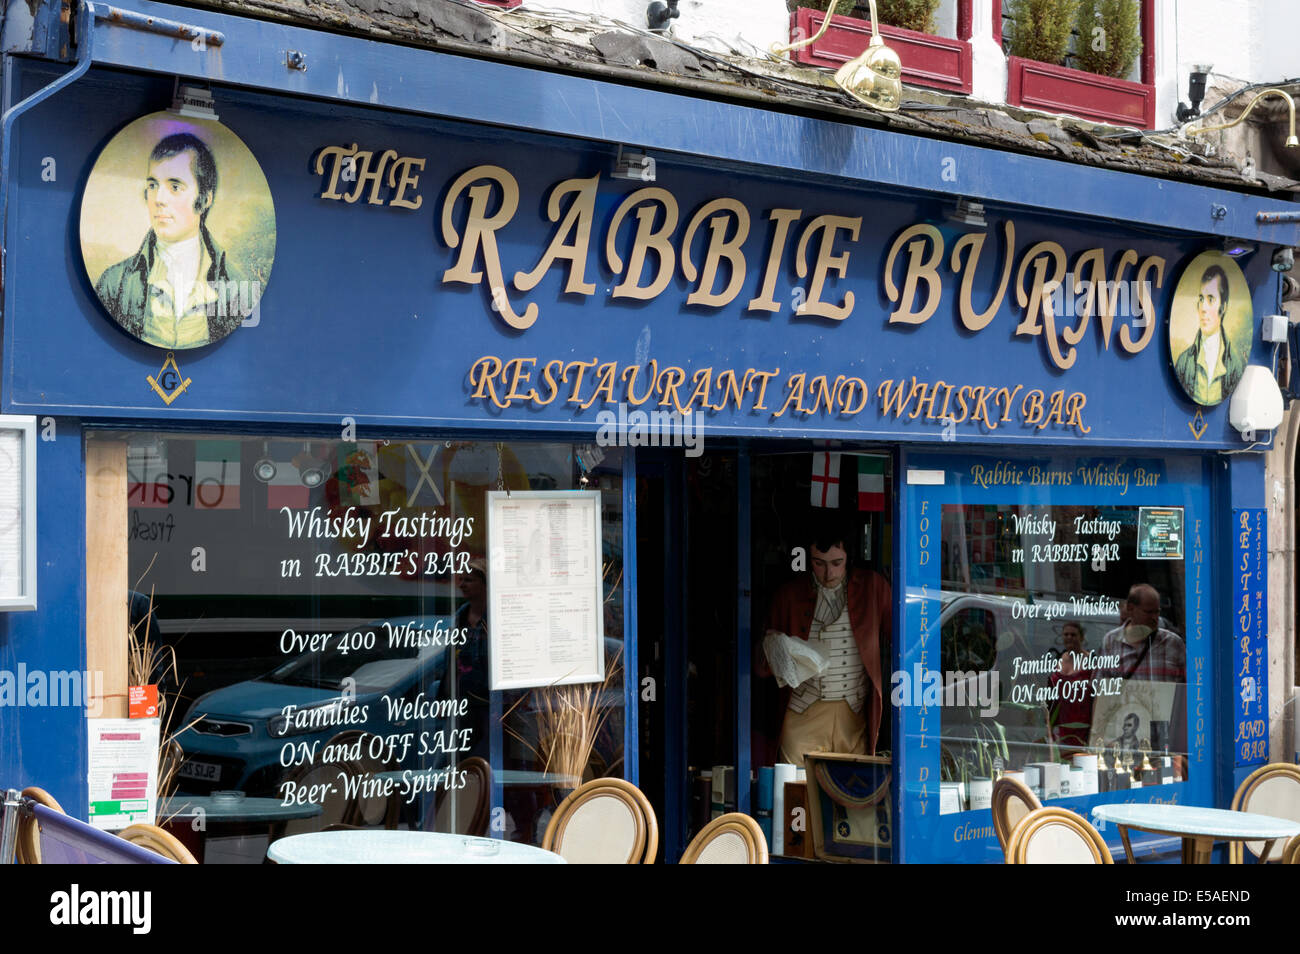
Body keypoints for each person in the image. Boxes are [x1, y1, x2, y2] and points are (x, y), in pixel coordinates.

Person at [758, 517, 891, 764]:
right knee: (797, 796)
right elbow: (761, 661)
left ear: (848, 558)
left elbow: (902, 640)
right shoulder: (789, 595)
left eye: (836, 563)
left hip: (853, 715)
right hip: (801, 713)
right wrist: (776, 649)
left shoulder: (873, 588)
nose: (829, 573)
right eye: (819, 563)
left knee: (850, 793)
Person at [94, 132, 245, 349]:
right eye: (153, 185)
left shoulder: (236, 286)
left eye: (175, 187)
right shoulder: (114, 282)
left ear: (204, 199)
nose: (159, 199)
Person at [1173, 264, 1245, 405]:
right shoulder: (1184, 361)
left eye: (1210, 299)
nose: (1203, 308)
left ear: (1223, 307)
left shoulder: (1235, 364)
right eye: (1201, 299)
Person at [1101, 583, 1185, 683]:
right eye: (1149, 612)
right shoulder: (1111, 641)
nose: (1154, 618)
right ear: (1131, 608)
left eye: (1157, 612)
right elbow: (1100, 687)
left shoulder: (1173, 642)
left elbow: (1193, 685)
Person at [1048, 620, 1093, 751]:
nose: (1069, 638)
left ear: (1081, 637)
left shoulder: (1091, 660)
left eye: (1073, 635)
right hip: (1061, 724)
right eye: (1066, 634)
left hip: (1083, 725)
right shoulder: (1058, 659)